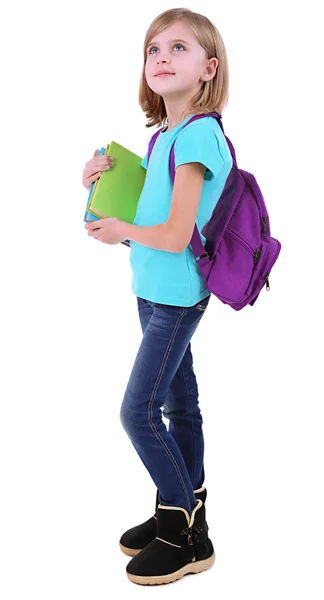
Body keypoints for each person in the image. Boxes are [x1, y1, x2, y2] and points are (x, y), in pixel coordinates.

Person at [82, 7, 233, 586]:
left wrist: (124, 231)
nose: (162, 58)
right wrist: (100, 181)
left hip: (175, 298)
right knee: (178, 409)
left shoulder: (198, 135)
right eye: (153, 50)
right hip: (150, 291)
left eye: (178, 48)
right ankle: (177, 507)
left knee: (136, 412)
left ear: (208, 69)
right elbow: (147, 211)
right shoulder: (163, 135)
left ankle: (185, 532)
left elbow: (173, 235)